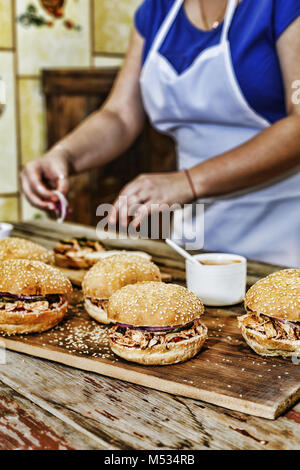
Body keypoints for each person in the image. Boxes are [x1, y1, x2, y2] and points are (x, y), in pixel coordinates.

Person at [21, 0, 300, 267]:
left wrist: (189, 183)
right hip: (196, 239)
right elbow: (119, 115)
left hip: (282, 236)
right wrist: (64, 155)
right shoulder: (157, 10)